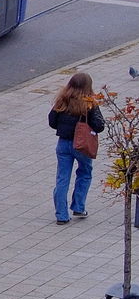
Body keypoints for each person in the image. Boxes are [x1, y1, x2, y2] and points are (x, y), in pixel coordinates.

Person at [48, 70, 104, 225]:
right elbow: (99, 126)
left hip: (63, 144)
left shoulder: (62, 100)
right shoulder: (90, 103)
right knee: (85, 173)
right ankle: (78, 206)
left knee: (62, 178)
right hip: (82, 144)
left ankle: (61, 215)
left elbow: (52, 122)